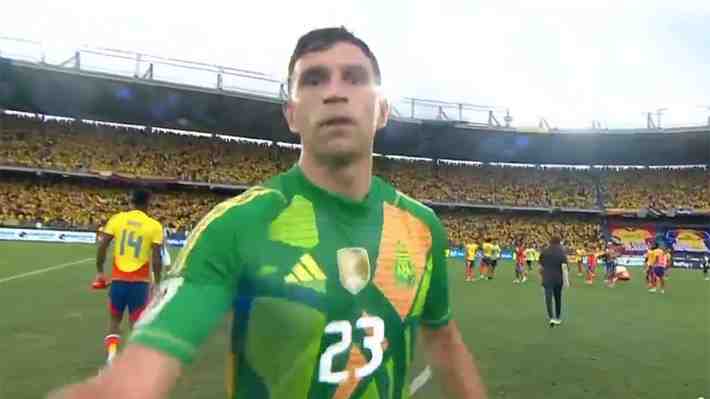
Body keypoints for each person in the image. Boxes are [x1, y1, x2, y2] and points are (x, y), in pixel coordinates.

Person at [49, 27, 487, 399]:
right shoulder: (237, 226)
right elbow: (139, 371)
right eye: (314, 80)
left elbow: (443, 338)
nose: (334, 92)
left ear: (383, 110)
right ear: (292, 115)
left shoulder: (421, 227)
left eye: (354, 78)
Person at [93, 189, 164, 365]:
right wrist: (157, 282)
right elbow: (157, 257)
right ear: (148, 204)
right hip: (140, 283)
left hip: (118, 280)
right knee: (136, 324)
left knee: (114, 321)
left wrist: (100, 271)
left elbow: (103, 246)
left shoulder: (118, 219)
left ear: (131, 201)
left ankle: (111, 356)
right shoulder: (154, 225)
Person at [539, 236, 568, 327]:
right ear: (559, 243)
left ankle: (551, 317)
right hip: (558, 279)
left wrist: (542, 277)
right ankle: (558, 318)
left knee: (548, 298)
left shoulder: (544, 251)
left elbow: (540, 267)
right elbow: (564, 267)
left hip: (547, 278)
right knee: (557, 298)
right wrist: (566, 281)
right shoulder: (562, 252)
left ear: (550, 242)